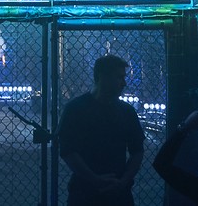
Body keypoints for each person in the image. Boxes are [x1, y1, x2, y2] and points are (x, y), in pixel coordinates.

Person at [57, 54, 144, 206]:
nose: (124, 83)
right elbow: (67, 151)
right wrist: (118, 181)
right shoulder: (76, 109)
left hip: (98, 190)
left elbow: (137, 151)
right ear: (102, 77)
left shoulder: (77, 108)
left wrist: (120, 181)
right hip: (93, 192)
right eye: (119, 77)